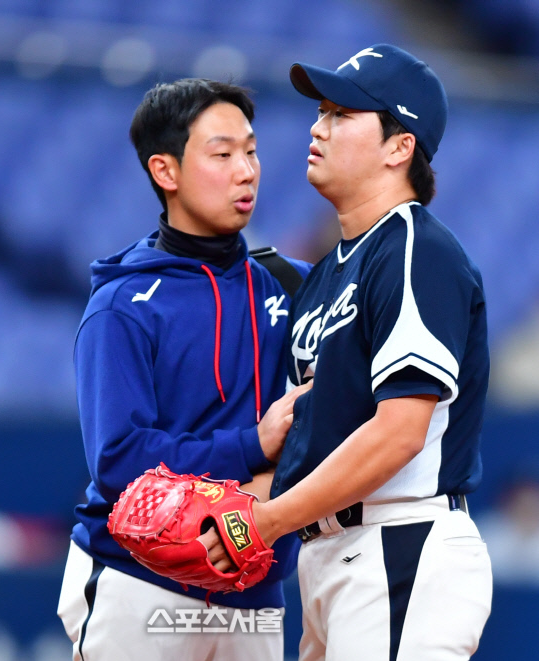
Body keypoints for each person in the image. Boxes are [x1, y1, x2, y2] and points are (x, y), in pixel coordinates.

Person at [205, 44, 493, 660]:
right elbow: (312, 436)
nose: (317, 126)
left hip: (400, 546)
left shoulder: (415, 249)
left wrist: (269, 521)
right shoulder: (325, 277)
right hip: (331, 556)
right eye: (320, 112)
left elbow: (399, 434)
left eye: (341, 113)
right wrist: (224, 517)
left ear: (399, 146)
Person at [57, 78, 311, 661]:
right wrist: (251, 444)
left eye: (250, 151)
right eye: (222, 154)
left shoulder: (294, 285)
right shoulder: (122, 304)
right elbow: (119, 460)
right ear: (165, 172)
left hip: (255, 582)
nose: (246, 170)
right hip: (140, 582)